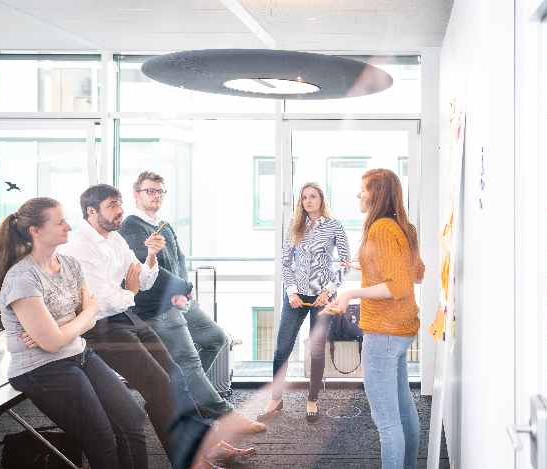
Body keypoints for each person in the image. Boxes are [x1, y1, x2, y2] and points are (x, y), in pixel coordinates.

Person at [0, 197, 148, 469]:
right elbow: (56, 340)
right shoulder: (23, 278)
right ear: (36, 231)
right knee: (101, 437)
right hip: (40, 368)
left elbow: (91, 314)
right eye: (60, 222)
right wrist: (77, 319)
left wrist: (63, 328)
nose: (69, 226)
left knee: (132, 420)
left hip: (78, 354)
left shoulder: (70, 264)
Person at [60, 184, 219, 469]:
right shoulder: (79, 246)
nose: (120, 210)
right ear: (91, 211)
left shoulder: (116, 240)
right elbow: (102, 301)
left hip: (124, 316)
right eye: (112, 205)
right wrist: (131, 291)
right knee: (160, 386)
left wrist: (151, 257)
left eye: (120, 203)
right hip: (97, 326)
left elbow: (142, 279)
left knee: (176, 378)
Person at [119, 171, 265, 435]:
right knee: (187, 360)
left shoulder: (163, 224)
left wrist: (187, 291)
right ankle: (223, 414)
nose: (155, 196)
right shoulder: (131, 226)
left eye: (160, 191)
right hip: (158, 307)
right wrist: (184, 287)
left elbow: (179, 259)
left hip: (181, 300)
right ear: (136, 194)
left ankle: (186, 394)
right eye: (149, 191)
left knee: (216, 338)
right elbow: (147, 270)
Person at [325, 169, 425, 469]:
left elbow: (399, 286)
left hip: (384, 332)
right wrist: (363, 263)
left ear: (377, 194)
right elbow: (416, 273)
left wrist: (349, 293)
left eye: (363, 190)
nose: (358, 195)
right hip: (402, 328)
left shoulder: (381, 229)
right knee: (403, 407)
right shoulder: (402, 226)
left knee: (386, 422)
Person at [258, 182, 350, 422]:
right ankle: (275, 399)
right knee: (282, 348)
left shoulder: (334, 226)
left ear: (321, 199)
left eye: (313, 196)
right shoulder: (294, 226)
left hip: (322, 297)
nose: (308, 201)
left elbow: (344, 262)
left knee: (316, 349)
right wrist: (291, 292)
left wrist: (329, 290)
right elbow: (285, 262)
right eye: (304, 197)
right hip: (295, 297)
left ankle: (313, 398)